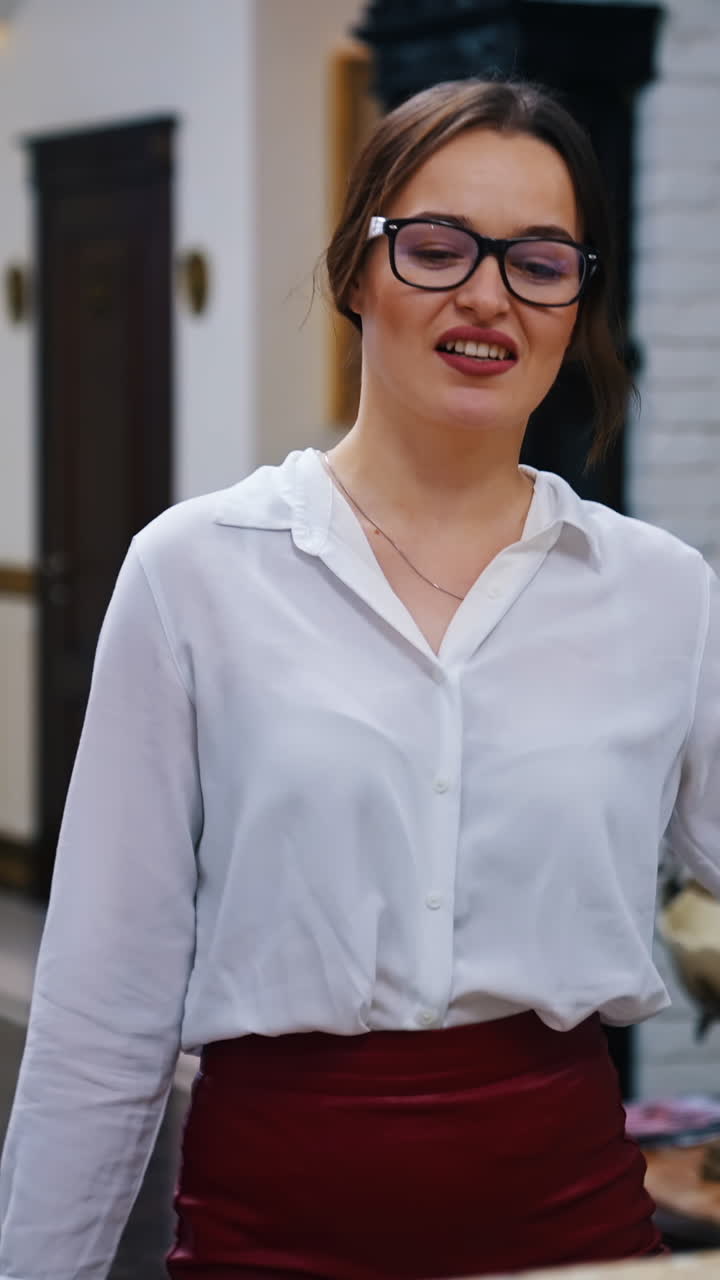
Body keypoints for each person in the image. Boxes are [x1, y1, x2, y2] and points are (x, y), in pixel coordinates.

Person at [1, 76, 719, 1280]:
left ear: (578, 299)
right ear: (355, 271)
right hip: (266, 1236)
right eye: (436, 248)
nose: (487, 294)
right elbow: (99, 1010)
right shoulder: (196, 572)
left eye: (540, 262)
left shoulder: (660, 592)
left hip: (571, 1234)